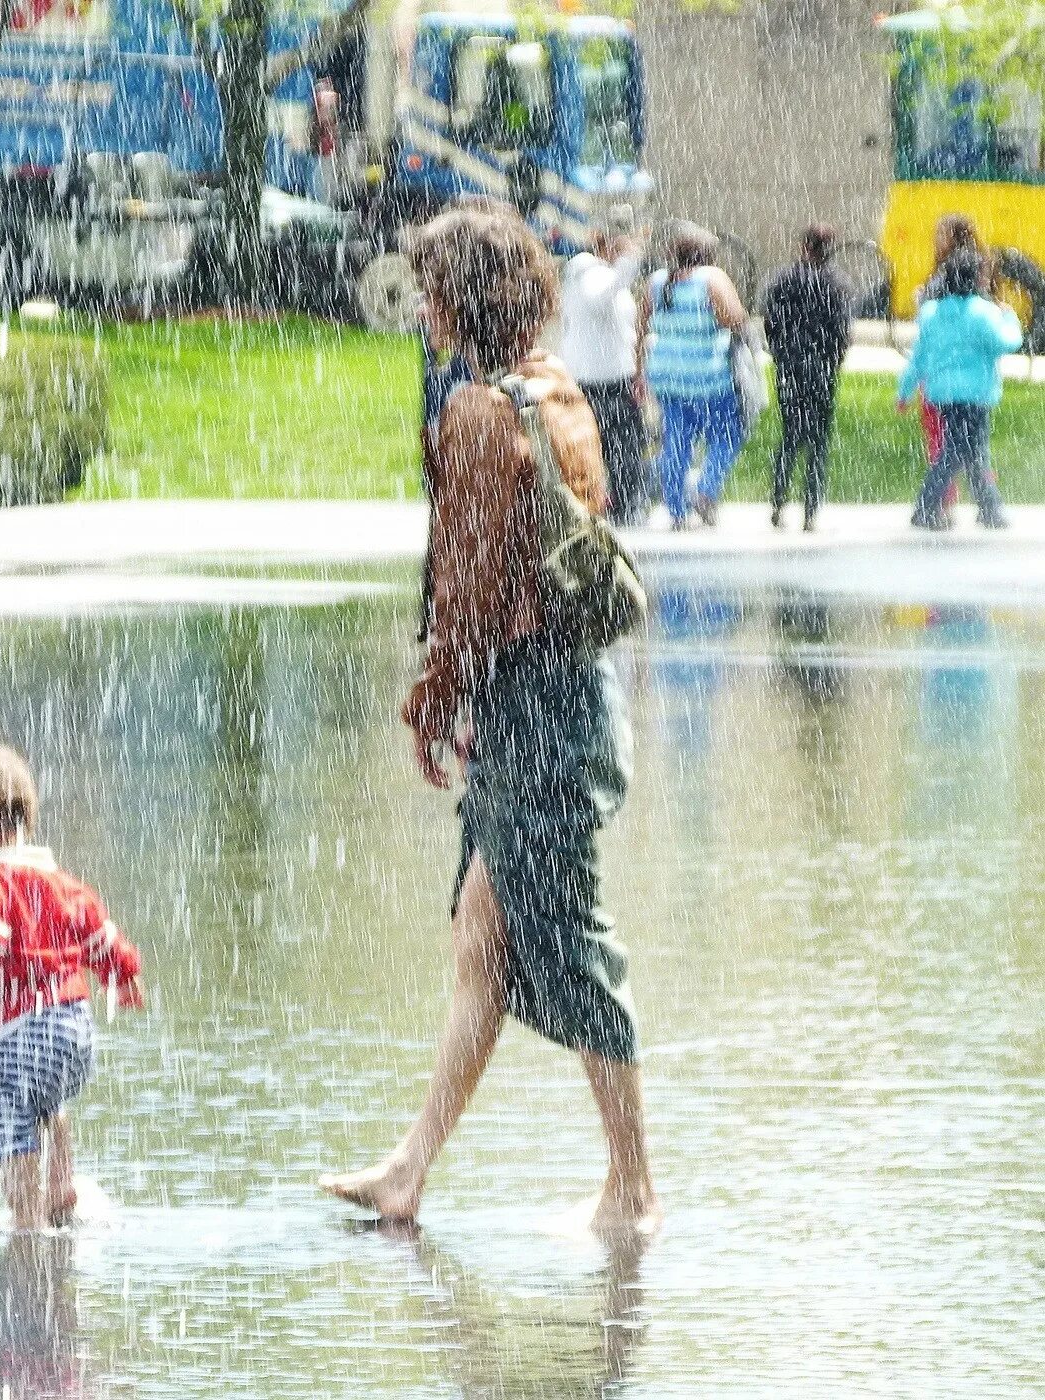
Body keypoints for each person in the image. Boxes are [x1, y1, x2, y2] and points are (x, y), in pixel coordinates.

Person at [319, 206, 659, 1238]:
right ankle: (407, 1169)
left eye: (430, 287)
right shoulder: (552, 389)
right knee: (483, 935)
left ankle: (632, 1187)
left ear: (459, 299)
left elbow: (464, 584)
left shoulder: (477, 411)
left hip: (530, 711)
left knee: (567, 943)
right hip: (569, 697)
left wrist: (430, 694)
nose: (419, 305)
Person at [0, 744, 145, 1231]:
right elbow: (99, 933)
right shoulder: (63, 883)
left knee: (7, 1117)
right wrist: (122, 975)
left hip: (16, 1036)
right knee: (47, 1099)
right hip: (75, 1031)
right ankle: (62, 1181)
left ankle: (26, 1221)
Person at [899, 249, 1021, 531]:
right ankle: (926, 507)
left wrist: (905, 390)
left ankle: (989, 509)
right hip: (975, 394)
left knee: (971, 450)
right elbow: (1007, 342)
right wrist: (1010, 319)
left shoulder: (932, 313)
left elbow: (919, 356)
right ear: (976, 279)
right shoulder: (983, 313)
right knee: (959, 450)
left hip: (942, 393)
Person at [637, 228, 750, 529]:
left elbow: (640, 327)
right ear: (707, 255)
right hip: (707, 376)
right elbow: (734, 318)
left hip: (666, 375)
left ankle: (675, 509)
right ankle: (706, 490)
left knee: (676, 441)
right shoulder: (711, 278)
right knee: (728, 434)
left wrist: (638, 372)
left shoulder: (657, 282)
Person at [560, 212, 652, 525]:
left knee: (624, 445)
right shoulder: (588, 271)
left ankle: (625, 502)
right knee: (612, 444)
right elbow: (600, 300)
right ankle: (617, 503)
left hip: (615, 376)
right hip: (596, 380)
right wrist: (629, 262)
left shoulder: (604, 276)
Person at [761, 224, 852, 531]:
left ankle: (777, 502)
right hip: (822, 368)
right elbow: (842, 332)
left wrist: (782, 354)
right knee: (818, 442)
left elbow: (770, 323)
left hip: (790, 367)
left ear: (804, 246)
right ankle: (810, 511)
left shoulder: (784, 280)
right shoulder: (836, 284)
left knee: (789, 436)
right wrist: (833, 360)